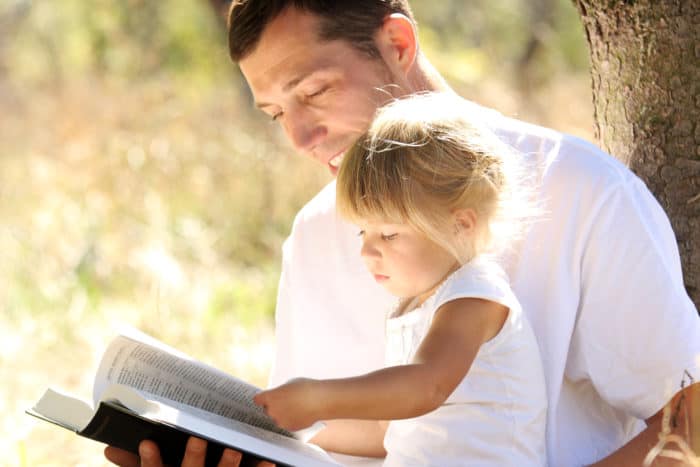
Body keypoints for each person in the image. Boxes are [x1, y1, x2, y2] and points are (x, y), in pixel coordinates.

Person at [106, 1, 700, 466]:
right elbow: (340, 438)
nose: (301, 139)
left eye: (314, 92)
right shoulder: (317, 231)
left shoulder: (578, 189)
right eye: (277, 114)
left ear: (397, 44)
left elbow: (691, 421)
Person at [253, 92, 548, 466]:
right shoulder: (416, 305)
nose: (367, 252)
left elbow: (427, 386)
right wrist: (283, 431)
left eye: (388, 235)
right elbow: (385, 434)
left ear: (461, 224)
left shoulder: (475, 296)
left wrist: (318, 397)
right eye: (363, 233)